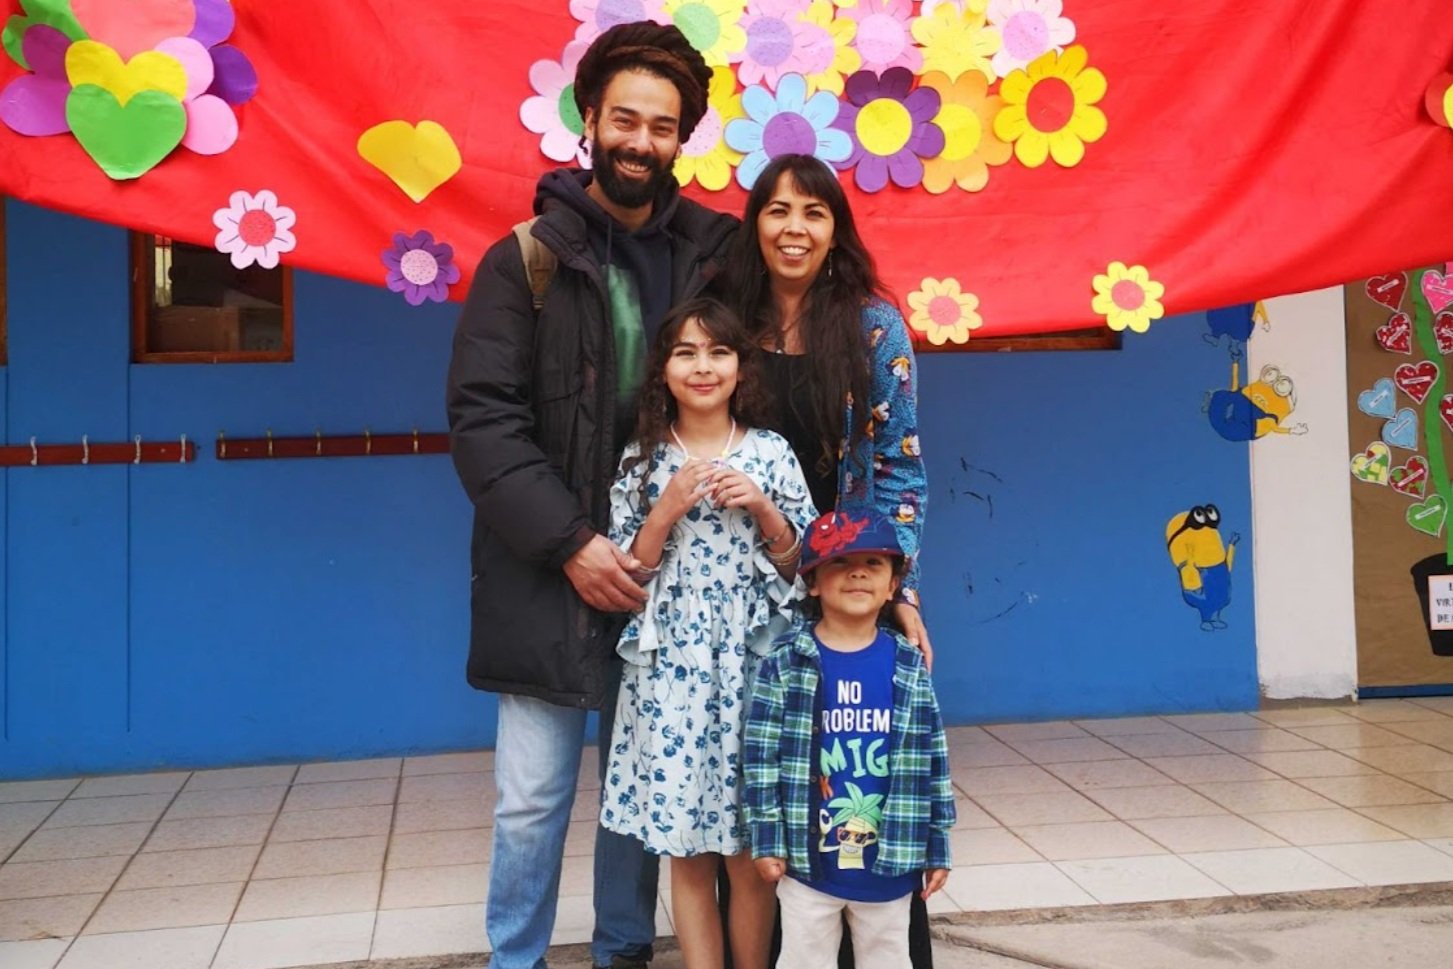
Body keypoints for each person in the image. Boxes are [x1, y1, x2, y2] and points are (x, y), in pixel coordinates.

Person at [445, 22, 737, 969]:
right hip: (548, 572)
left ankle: (623, 952)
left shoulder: (716, 255)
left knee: (639, 791)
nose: (640, 141)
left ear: (681, 137)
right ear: (588, 120)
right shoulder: (523, 259)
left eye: (661, 125)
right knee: (531, 796)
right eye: (624, 118)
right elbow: (483, 422)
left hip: (676, 575)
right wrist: (572, 541)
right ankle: (514, 957)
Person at [721, 152, 936, 967]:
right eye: (777, 210)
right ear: (756, 224)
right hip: (746, 580)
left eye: (813, 212)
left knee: (859, 760)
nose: (794, 228)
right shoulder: (726, 323)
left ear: (835, 228)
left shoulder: (874, 324)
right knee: (773, 763)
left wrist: (897, 585)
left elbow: (902, 465)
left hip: (843, 580)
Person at [601, 298, 817, 969]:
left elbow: (807, 568)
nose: (702, 366)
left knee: (751, 853)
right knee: (686, 848)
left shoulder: (771, 453)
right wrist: (664, 510)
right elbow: (626, 572)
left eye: (717, 351)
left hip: (754, 667)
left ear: (738, 366)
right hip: (671, 673)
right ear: (662, 369)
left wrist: (760, 504)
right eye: (685, 352)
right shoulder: (640, 459)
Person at [744, 508, 954, 969]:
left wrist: (938, 846)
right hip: (806, 865)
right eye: (840, 561)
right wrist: (766, 840)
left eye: (874, 564)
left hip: (891, 862)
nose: (858, 571)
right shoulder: (784, 664)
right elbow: (759, 762)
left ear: (893, 586)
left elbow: (933, 761)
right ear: (813, 582)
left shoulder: (908, 665)